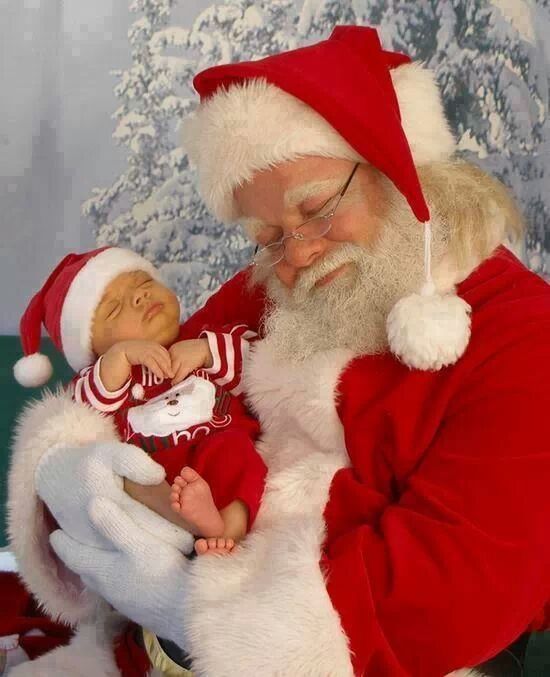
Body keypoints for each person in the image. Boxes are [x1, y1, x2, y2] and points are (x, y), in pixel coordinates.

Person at [7, 24, 550, 677]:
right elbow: (148, 391)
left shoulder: (523, 336)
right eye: (268, 235)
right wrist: (75, 470)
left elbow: (461, 584)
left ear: (401, 172)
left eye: (318, 208)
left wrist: (189, 611)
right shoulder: (270, 286)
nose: (298, 252)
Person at [12, 246, 266, 557]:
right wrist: (119, 359)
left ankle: (225, 529)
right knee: (133, 479)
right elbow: (82, 411)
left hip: (220, 447)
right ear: (92, 350)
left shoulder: (207, 335)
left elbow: (261, 366)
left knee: (240, 454)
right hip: (161, 470)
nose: (139, 298)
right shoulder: (108, 379)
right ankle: (190, 524)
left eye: (144, 285)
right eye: (114, 310)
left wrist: (205, 350)